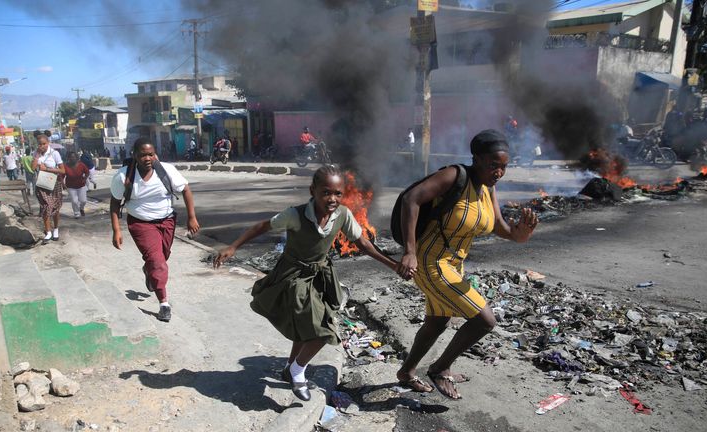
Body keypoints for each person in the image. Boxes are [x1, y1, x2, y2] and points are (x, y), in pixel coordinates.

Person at [213, 165, 402, 401]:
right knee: (323, 331)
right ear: (312, 190)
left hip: (319, 276)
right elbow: (261, 226)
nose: (332, 199)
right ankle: (297, 371)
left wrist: (393, 265)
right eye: (326, 192)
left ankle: (289, 369)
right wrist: (233, 246)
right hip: (293, 276)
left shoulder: (342, 214)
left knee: (307, 329)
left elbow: (363, 243)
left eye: (338, 194)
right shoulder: (295, 215)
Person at [395, 129, 538, 399]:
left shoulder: (488, 189)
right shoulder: (454, 176)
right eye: (493, 165)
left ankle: (406, 372)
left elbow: (498, 226)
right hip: (430, 260)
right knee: (485, 320)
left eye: (504, 167)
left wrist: (518, 235)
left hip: (453, 264)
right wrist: (409, 251)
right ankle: (440, 368)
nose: (499, 172)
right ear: (477, 158)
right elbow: (410, 199)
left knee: (438, 320)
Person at [110, 137, 200, 322]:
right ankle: (164, 304)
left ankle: (148, 270)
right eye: (143, 155)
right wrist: (116, 230)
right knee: (158, 262)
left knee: (162, 257)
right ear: (135, 155)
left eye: (151, 154)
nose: (148, 158)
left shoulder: (166, 170)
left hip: (167, 221)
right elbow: (114, 203)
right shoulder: (123, 176)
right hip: (141, 223)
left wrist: (192, 217)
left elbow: (186, 190)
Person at [32, 134, 65, 244]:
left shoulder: (54, 153)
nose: (42, 146)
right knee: (46, 207)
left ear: (48, 143)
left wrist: (47, 169)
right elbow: (32, 168)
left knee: (55, 207)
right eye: (40, 144)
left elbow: (62, 170)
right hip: (42, 184)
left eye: (44, 144)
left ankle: (55, 229)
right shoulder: (36, 154)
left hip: (54, 183)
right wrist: (36, 156)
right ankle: (48, 231)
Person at [63, 151, 90, 218]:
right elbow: (61, 176)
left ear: (77, 158)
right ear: (68, 158)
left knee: (83, 201)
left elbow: (87, 172)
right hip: (70, 186)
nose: (72, 158)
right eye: (71, 157)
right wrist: (62, 184)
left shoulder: (81, 165)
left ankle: (81, 208)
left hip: (81, 185)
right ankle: (76, 213)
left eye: (74, 157)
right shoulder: (65, 166)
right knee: (74, 201)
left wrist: (85, 179)